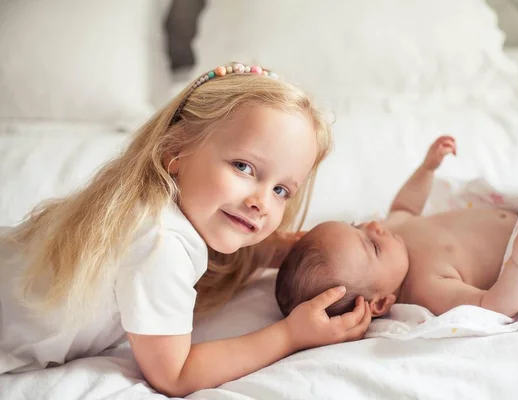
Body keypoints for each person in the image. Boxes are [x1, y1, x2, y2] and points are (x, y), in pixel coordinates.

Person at [0, 63, 371, 397]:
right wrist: (291, 334)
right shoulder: (160, 242)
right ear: (175, 151)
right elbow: (174, 375)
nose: (262, 201)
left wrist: (261, 249)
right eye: (243, 166)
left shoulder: (144, 212)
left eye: (281, 190)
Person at [276, 138, 518, 320]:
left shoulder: (394, 230)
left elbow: (405, 205)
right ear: (378, 303)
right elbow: (494, 306)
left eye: (357, 227)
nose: (374, 227)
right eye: (371, 246)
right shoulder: (426, 287)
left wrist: (426, 169)